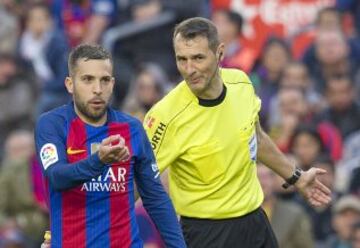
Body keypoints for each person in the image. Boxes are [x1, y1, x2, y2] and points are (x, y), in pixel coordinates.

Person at [144, 17, 331, 248]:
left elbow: (257, 139)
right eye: (182, 59)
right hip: (206, 234)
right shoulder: (164, 116)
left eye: (198, 58)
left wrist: (296, 177)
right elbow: (137, 179)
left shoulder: (241, 83)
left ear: (220, 53)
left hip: (255, 222)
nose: (189, 69)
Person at [34, 44, 185, 248]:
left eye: (104, 80)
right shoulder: (52, 124)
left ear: (112, 84)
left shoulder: (132, 128)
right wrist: (99, 161)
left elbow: (155, 198)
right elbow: (57, 177)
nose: (98, 89)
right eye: (87, 79)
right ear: (70, 84)